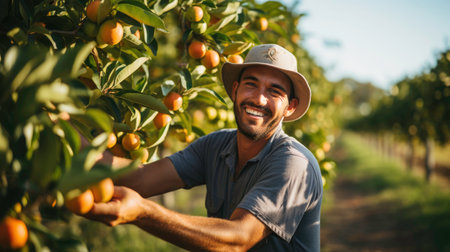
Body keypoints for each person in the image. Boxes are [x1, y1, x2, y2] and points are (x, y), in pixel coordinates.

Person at [86, 44, 323, 251]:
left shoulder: (293, 163)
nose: (259, 99)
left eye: (274, 91)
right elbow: (142, 178)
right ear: (235, 90)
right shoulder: (215, 146)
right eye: (251, 84)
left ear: (290, 107)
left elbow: (238, 239)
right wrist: (72, 145)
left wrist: (143, 212)